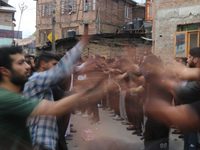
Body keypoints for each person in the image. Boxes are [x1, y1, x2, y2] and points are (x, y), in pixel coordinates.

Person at [23, 34, 92, 150]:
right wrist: (82, 43)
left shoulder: (45, 83)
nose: (56, 68)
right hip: (40, 142)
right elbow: (61, 70)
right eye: (54, 65)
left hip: (48, 139)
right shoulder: (35, 80)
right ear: (43, 64)